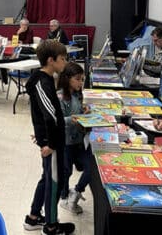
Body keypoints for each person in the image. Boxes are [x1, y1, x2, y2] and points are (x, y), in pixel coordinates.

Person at [24, 39, 75, 235]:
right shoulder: (42, 82)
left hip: (49, 140)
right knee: (55, 182)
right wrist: (50, 143)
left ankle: (34, 217)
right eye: (63, 59)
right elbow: (51, 115)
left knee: (47, 178)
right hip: (51, 144)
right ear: (51, 60)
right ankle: (51, 226)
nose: (65, 62)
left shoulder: (44, 79)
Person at [57, 62, 91, 214]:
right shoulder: (59, 97)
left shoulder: (78, 93)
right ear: (67, 78)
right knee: (66, 171)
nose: (80, 82)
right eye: (77, 79)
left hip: (79, 141)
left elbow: (79, 109)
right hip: (66, 142)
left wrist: (85, 111)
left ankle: (77, 191)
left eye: (82, 79)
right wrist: (73, 119)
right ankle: (64, 197)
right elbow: (57, 120)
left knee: (91, 167)